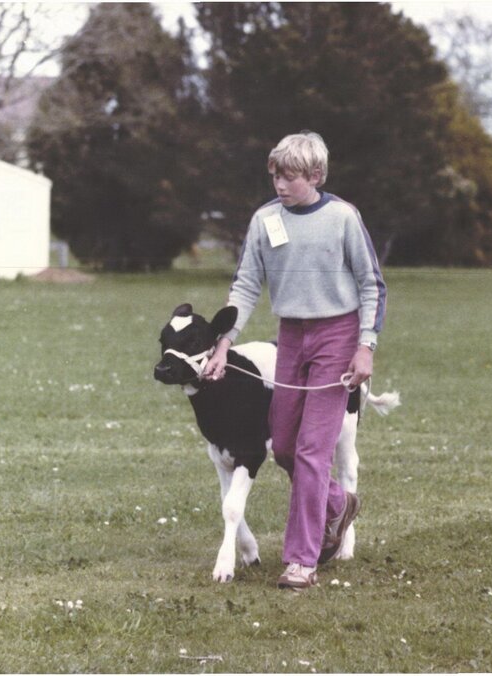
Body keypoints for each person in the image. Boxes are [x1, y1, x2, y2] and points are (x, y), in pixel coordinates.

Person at [201, 131, 386, 590]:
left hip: (337, 338)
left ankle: (301, 560)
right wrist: (224, 342)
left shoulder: (343, 217)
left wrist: (365, 346)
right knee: (282, 445)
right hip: (291, 337)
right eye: (275, 176)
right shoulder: (265, 220)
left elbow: (372, 285)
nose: (279, 185)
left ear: (316, 175)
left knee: (310, 452)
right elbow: (245, 284)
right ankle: (338, 503)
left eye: (289, 177)